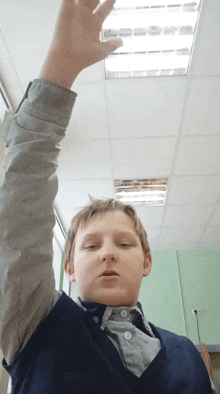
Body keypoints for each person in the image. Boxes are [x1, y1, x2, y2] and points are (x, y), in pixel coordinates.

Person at [0, 0, 216, 393]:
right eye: (90, 245)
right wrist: (60, 66)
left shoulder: (186, 354)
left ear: (147, 261)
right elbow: (18, 216)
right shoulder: (33, 322)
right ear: (68, 266)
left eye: (124, 243)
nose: (107, 253)